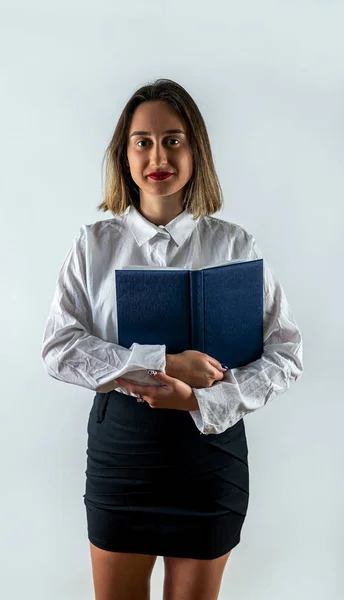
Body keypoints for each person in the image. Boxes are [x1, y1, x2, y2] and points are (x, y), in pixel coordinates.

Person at [41, 78, 303, 600]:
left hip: (209, 453)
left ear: (195, 150)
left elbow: (286, 352)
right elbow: (59, 348)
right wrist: (166, 363)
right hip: (124, 453)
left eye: (173, 139)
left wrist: (204, 399)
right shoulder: (94, 244)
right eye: (143, 141)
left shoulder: (234, 243)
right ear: (124, 154)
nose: (157, 154)